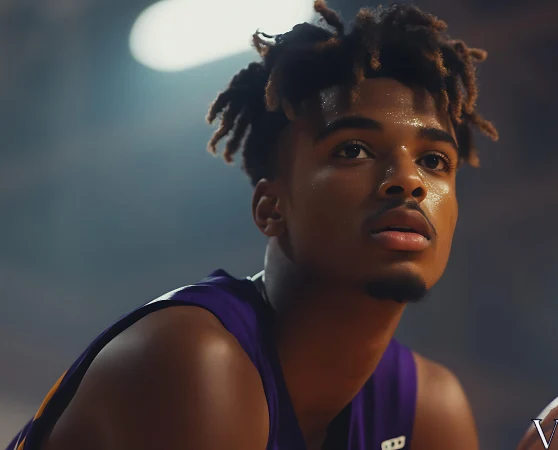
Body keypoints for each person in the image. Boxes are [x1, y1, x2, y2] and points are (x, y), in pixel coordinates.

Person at [7, 1, 499, 449]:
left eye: (435, 161)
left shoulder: (426, 406)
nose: (408, 181)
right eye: (353, 150)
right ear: (270, 208)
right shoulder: (194, 357)